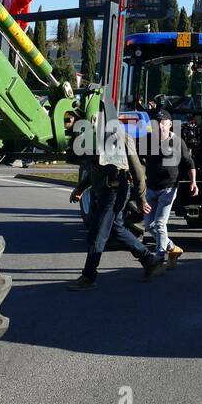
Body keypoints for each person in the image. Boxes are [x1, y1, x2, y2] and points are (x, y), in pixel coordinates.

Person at [68, 119, 161, 290]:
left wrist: (141, 198)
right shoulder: (96, 140)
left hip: (115, 192)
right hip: (104, 192)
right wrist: (80, 188)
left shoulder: (122, 138)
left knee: (98, 233)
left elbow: (137, 171)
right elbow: (94, 168)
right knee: (117, 230)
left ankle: (88, 277)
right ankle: (149, 259)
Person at [142, 109, 197, 265]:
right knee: (149, 225)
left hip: (169, 188)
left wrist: (193, 182)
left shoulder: (178, 142)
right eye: (156, 123)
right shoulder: (147, 140)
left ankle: (159, 258)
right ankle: (172, 248)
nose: (160, 126)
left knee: (159, 223)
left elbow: (189, 163)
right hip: (150, 189)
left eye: (163, 123)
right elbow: (137, 158)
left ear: (170, 124)